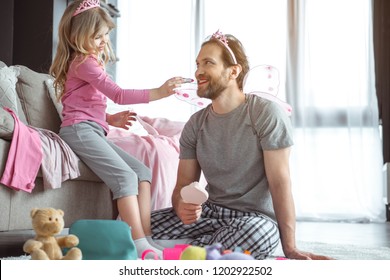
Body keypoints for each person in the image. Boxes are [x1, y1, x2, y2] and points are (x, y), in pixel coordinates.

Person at [151, 30, 331, 260]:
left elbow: (279, 182)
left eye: (208, 63)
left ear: (233, 71)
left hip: (253, 219)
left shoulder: (265, 113)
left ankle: (178, 251)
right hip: (210, 214)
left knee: (259, 235)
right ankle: (200, 251)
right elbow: (183, 186)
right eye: (197, 64)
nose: (198, 71)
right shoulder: (196, 124)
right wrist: (180, 206)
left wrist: (290, 248)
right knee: (134, 227)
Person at [49, 0, 186, 259]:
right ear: (78, 36)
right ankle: (138, 243)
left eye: (105, 35)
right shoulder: (84, 62)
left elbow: (82, 105)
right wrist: (160, 91)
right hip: (79, 131)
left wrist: (109, 119)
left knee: (142, 172)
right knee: (125, 179)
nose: (103, 40)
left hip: (89, 127)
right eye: (97, 36)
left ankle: (145, 239)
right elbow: (119, 94)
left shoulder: (89, 63)